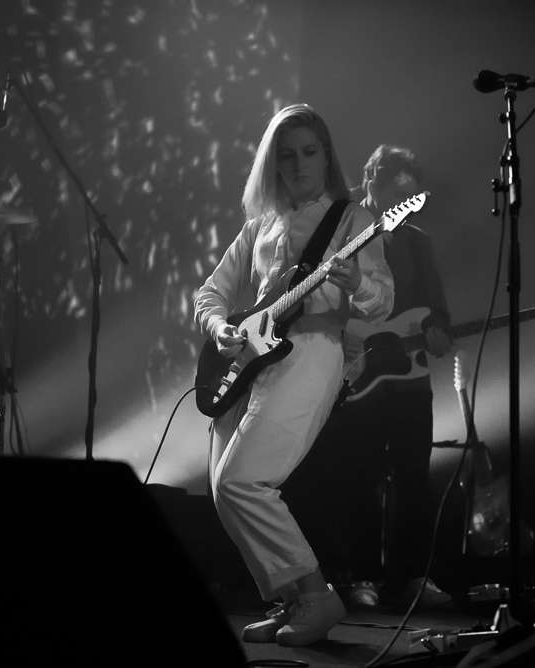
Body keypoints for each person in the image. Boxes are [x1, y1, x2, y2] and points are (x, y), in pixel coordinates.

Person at [194, 104, 394, 646]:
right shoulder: (260, 226)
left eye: (310, 152)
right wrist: (220, 330)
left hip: (314, 351)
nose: (300, 164)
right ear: (272, 165)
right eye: (287, 156)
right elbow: (210, 294)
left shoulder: (353, 221)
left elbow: (382, 303)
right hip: (248, 360)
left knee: (243, 481)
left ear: (326, 155)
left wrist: (354, 282)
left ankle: (317, 598)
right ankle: (291, 601)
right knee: (223, 489)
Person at [287, 144, 453, 609]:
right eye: (398, 196)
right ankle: (360, 576)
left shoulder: (418, 242)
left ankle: (415, 577)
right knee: (357, 479)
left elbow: (436, 307)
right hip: (354, 375)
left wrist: (437, 329)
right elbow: (315, 296)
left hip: (410, 381)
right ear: (372, 185)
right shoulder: (342, 230)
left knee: (413, 480)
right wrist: (347, 336)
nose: (406, 206)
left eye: (413, 198)